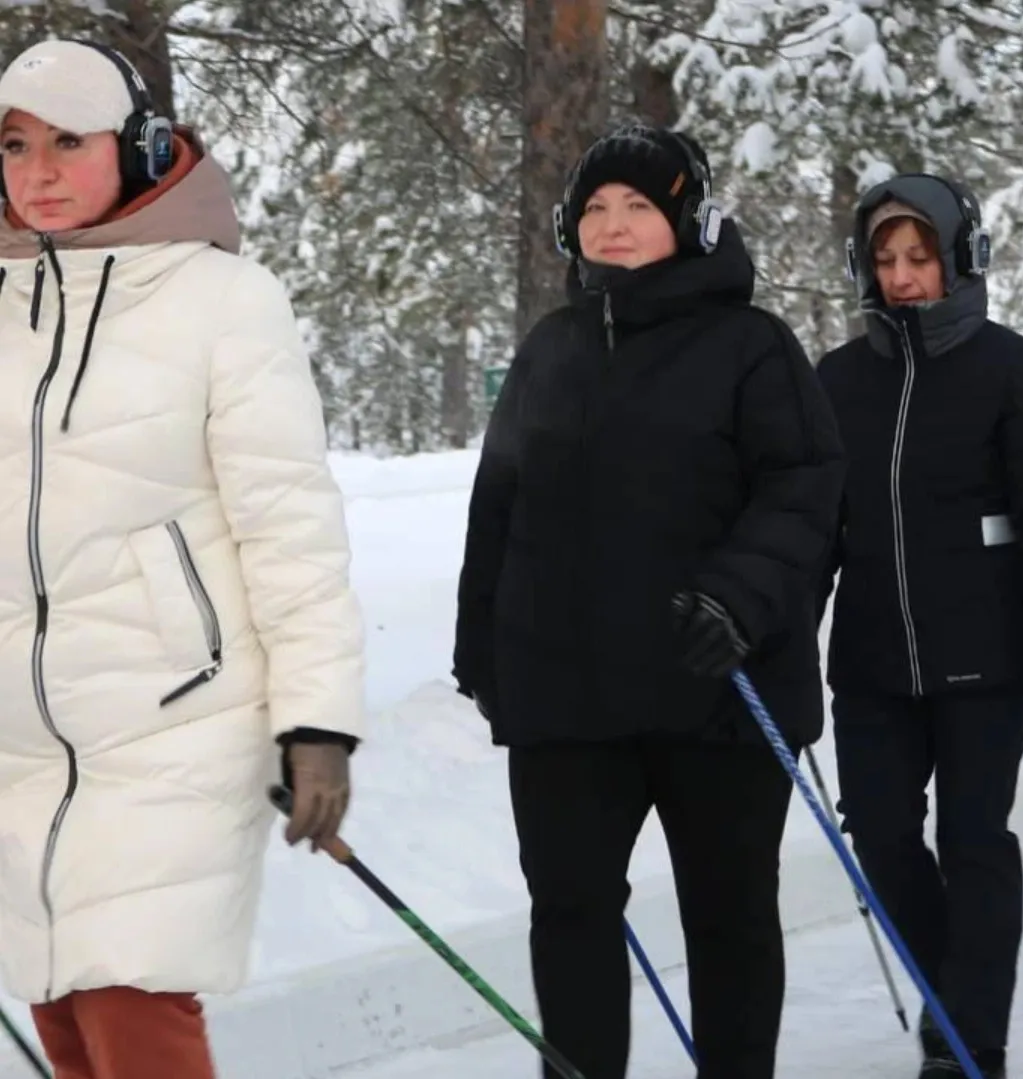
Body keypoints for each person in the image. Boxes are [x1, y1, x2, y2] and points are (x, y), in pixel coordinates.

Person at [0, 37, 364, 1079]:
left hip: (174, 714)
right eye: (16, 144)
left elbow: (288, 522)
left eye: (70, 140)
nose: (39, 170)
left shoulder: (222, 302)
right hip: (22, 742)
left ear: (141, 146)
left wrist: (317, 722)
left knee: (130, 994)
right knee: (66, 1008)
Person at [452, 123, 844, 1079]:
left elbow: (806, 490)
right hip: (568, 699)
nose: (614, 225)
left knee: (729, 915)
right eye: (595, 208)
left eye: (638, 206)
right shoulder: (552, 347)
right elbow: (499, 504)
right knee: (571, 913)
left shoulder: (752, 346)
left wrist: (738, 599)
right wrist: (483, 647)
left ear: (687, 221)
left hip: (717, 686)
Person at [815, 174, 1023, 1079]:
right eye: (885, 260)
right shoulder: (837, 380)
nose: (901, 278)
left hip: (986, 656)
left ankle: (973, 1035)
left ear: (959, 260)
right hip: (869, 662)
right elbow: (805, 528)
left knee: (973, 841)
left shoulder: (1012, 369)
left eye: (919, 258)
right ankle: (948, 986)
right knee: (883, 840)